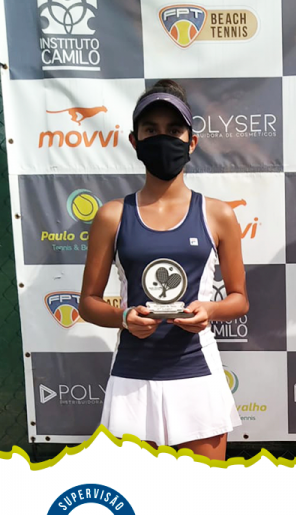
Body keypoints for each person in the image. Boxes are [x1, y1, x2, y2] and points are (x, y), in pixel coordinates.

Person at [79, 79, 248, 461]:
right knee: (135, 495)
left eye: (173, 131)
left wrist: (210, 309)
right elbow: (87, 303)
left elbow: (239, 299)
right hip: (132, 378)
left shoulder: (218, 214)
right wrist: (124, 317)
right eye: (151, 130)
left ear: (192, 141)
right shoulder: (112, 216)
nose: (162, 139)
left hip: (197, 373)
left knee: (203, 497)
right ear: (135, 141)